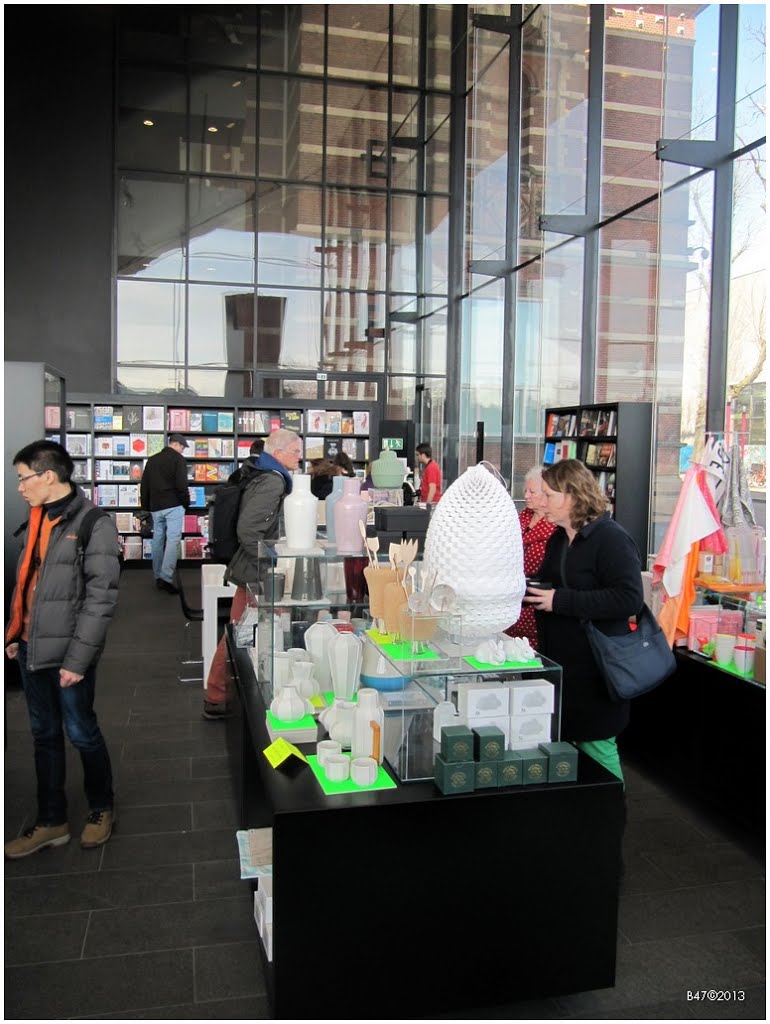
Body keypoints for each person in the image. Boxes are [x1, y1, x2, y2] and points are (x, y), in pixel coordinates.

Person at [4, 440, 122, 858]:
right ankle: (51, 820)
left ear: (48, 476)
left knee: (81, 731)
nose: (19, 487)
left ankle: (100, 808)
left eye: (23, 478)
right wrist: (15, 633)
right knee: (43, 735)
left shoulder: (94, 523)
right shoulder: (36, 519)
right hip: (31, 648)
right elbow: (28, 584)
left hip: (70, 656)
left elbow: (100, 597)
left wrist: (78, 661)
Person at [524, 459, 643, 783]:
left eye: (549, 495)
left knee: (598, 747)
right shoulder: (560, 539)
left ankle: (612, 819)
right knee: (567, 752)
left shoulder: (612, 539)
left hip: (597, 669)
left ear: (572, 496)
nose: (541, 502)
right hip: (564, 665)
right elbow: (550, 585)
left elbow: (629, 599)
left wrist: (559, 600)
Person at [203, 429, 302, 720]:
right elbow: (249, 530)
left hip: (252, 569)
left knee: (239, 632)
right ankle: (217, 695)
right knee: (239, 633)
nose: (299, 456)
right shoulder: (273, 481)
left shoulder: (264, 474)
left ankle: (219, 694)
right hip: (256, 572)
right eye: (296, 451)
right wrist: (268, 565)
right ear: (280, 452)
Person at [505, 465, 556, 649]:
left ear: (546, 495)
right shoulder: (523, 516)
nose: (526, 495)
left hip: (535, 604)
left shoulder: (554, 527)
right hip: (512, 597)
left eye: (532, 491)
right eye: (525, 490)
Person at [139, 432, 190, 594]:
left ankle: (157, 576)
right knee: (173, 541)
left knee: (158, 540)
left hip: (156, 506)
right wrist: (185, 503)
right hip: (173, 504)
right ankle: (166, 577)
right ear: (177, 445)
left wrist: (146, 507)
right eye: (182, 447)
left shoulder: (152, 460)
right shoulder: (178, 460)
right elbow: (182, 485)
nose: (182, 451)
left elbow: (144, 485)